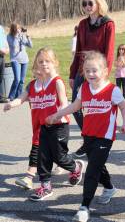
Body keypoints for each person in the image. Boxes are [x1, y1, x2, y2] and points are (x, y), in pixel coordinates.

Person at [47, 51, 125, 222]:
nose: (90, 74)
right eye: (87, 71)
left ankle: (84, 207)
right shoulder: (83, 88)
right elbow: (75, 106)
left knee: (91, 170)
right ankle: (109, 187)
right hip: (89, 136)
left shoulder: (112, 90)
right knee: (96, 165)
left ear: (105, 71)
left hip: (105, 137)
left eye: (94, 70)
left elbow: (124, 107)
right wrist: (57, 115)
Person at [28, 47, 84, 201]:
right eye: (41, 62)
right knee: (43, 156)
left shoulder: (57, 81)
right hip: (46, 126)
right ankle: (45, 187)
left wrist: (56, 116)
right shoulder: (40, 83)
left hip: (60, 125)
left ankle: (76, 167)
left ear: (55, 63)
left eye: (47, 61)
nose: (44, 64)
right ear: (36, 65)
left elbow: (65, 104)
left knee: (59, 157)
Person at [70, 0, 115, 158]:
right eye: (84, 3)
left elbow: (109, 52)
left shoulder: (108, 24)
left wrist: (105, 73)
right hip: (82, 71)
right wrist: (72, 73)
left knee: (96, 107)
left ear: (98, 4)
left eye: (90, 3)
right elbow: (78, 51)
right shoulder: (82, 24)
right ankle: (88, 139)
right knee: (75, 106)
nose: (87, 6)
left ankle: (96, 140)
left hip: (98, 72)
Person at [3, 68, 43, 190]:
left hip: (54, 127)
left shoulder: (54, 84)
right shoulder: (31, 86)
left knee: (57, 154)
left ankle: (74, 167)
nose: (40, 69)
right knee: (35, 151)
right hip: (38, 127)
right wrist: (11, 104)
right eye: (38, 66)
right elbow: (21, 98)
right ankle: (29, 178)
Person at [7, 22, 32, 101]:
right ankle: (11, 96)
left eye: (19, 28)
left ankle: (18, 96)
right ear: (13, 29)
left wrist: (28, 37)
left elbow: (30, 46)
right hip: (15, 59)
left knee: (22, 80)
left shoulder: (22, 36)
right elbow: (15, 48)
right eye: (17, 29)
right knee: (17, 79)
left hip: (24, 60)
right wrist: (18, 37)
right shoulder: (9, 37)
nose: (18, 30)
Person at [0, 24, 9, 102]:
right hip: (1, 52)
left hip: (2, 56)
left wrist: (7, 48)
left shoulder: (1, 28)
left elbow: (5, 40)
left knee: (1, 76)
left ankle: (1, 97)